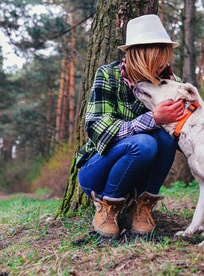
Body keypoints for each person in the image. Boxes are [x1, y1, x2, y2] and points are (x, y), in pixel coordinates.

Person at [75, 15, 185, 239]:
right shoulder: (108, 75)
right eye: (158, 59)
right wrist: (153, 119)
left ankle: (142, 206)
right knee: (143, 143)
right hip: (97, 173)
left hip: (139, 178)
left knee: (165, 139)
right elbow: (98, 129)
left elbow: (184, 138)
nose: (164, 65)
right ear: (142, 55)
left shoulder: (172, 84)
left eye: (165, 58)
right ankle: (108, 207)